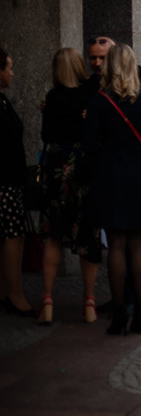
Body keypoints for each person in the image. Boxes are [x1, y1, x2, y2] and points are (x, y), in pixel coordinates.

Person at [86, 44, 141, 335]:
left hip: (110, 176)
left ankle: (120, 311)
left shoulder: (99, 102)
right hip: (139, 175)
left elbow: (88, 147)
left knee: (117, 245)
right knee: (138, 243)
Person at [37, 48, 101, 325]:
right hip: (83, 169)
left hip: (55, 168)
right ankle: (89, 302)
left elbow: (44, 135)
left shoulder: (51, 98)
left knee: (53, 237)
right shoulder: (89, 94)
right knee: (88, 237)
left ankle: (47, 300)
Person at [0, 46, 33, 317]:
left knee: (12, 235)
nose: (12, 72)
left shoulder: (3, 100)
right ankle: (14, 293)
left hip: (11, 178)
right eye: (9, 67)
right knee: (13, 235)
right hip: (3, 180)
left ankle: (6, 290)